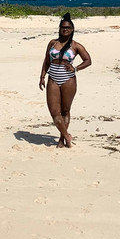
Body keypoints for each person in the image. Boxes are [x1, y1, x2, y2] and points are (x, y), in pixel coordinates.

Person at [38, 12, 91, 148]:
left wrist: (76, 69)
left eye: (68, 27)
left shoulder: (76, 46)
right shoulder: (52, 43)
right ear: (59, 29)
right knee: (54, 112)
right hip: (53, 79)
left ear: (72, 29)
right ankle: (67, 135)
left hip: (69, 80)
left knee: (65, 110)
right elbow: (46, 61)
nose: (65, 29)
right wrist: (42, 76)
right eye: (63, 27)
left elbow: (88, 61)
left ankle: (62, 138)